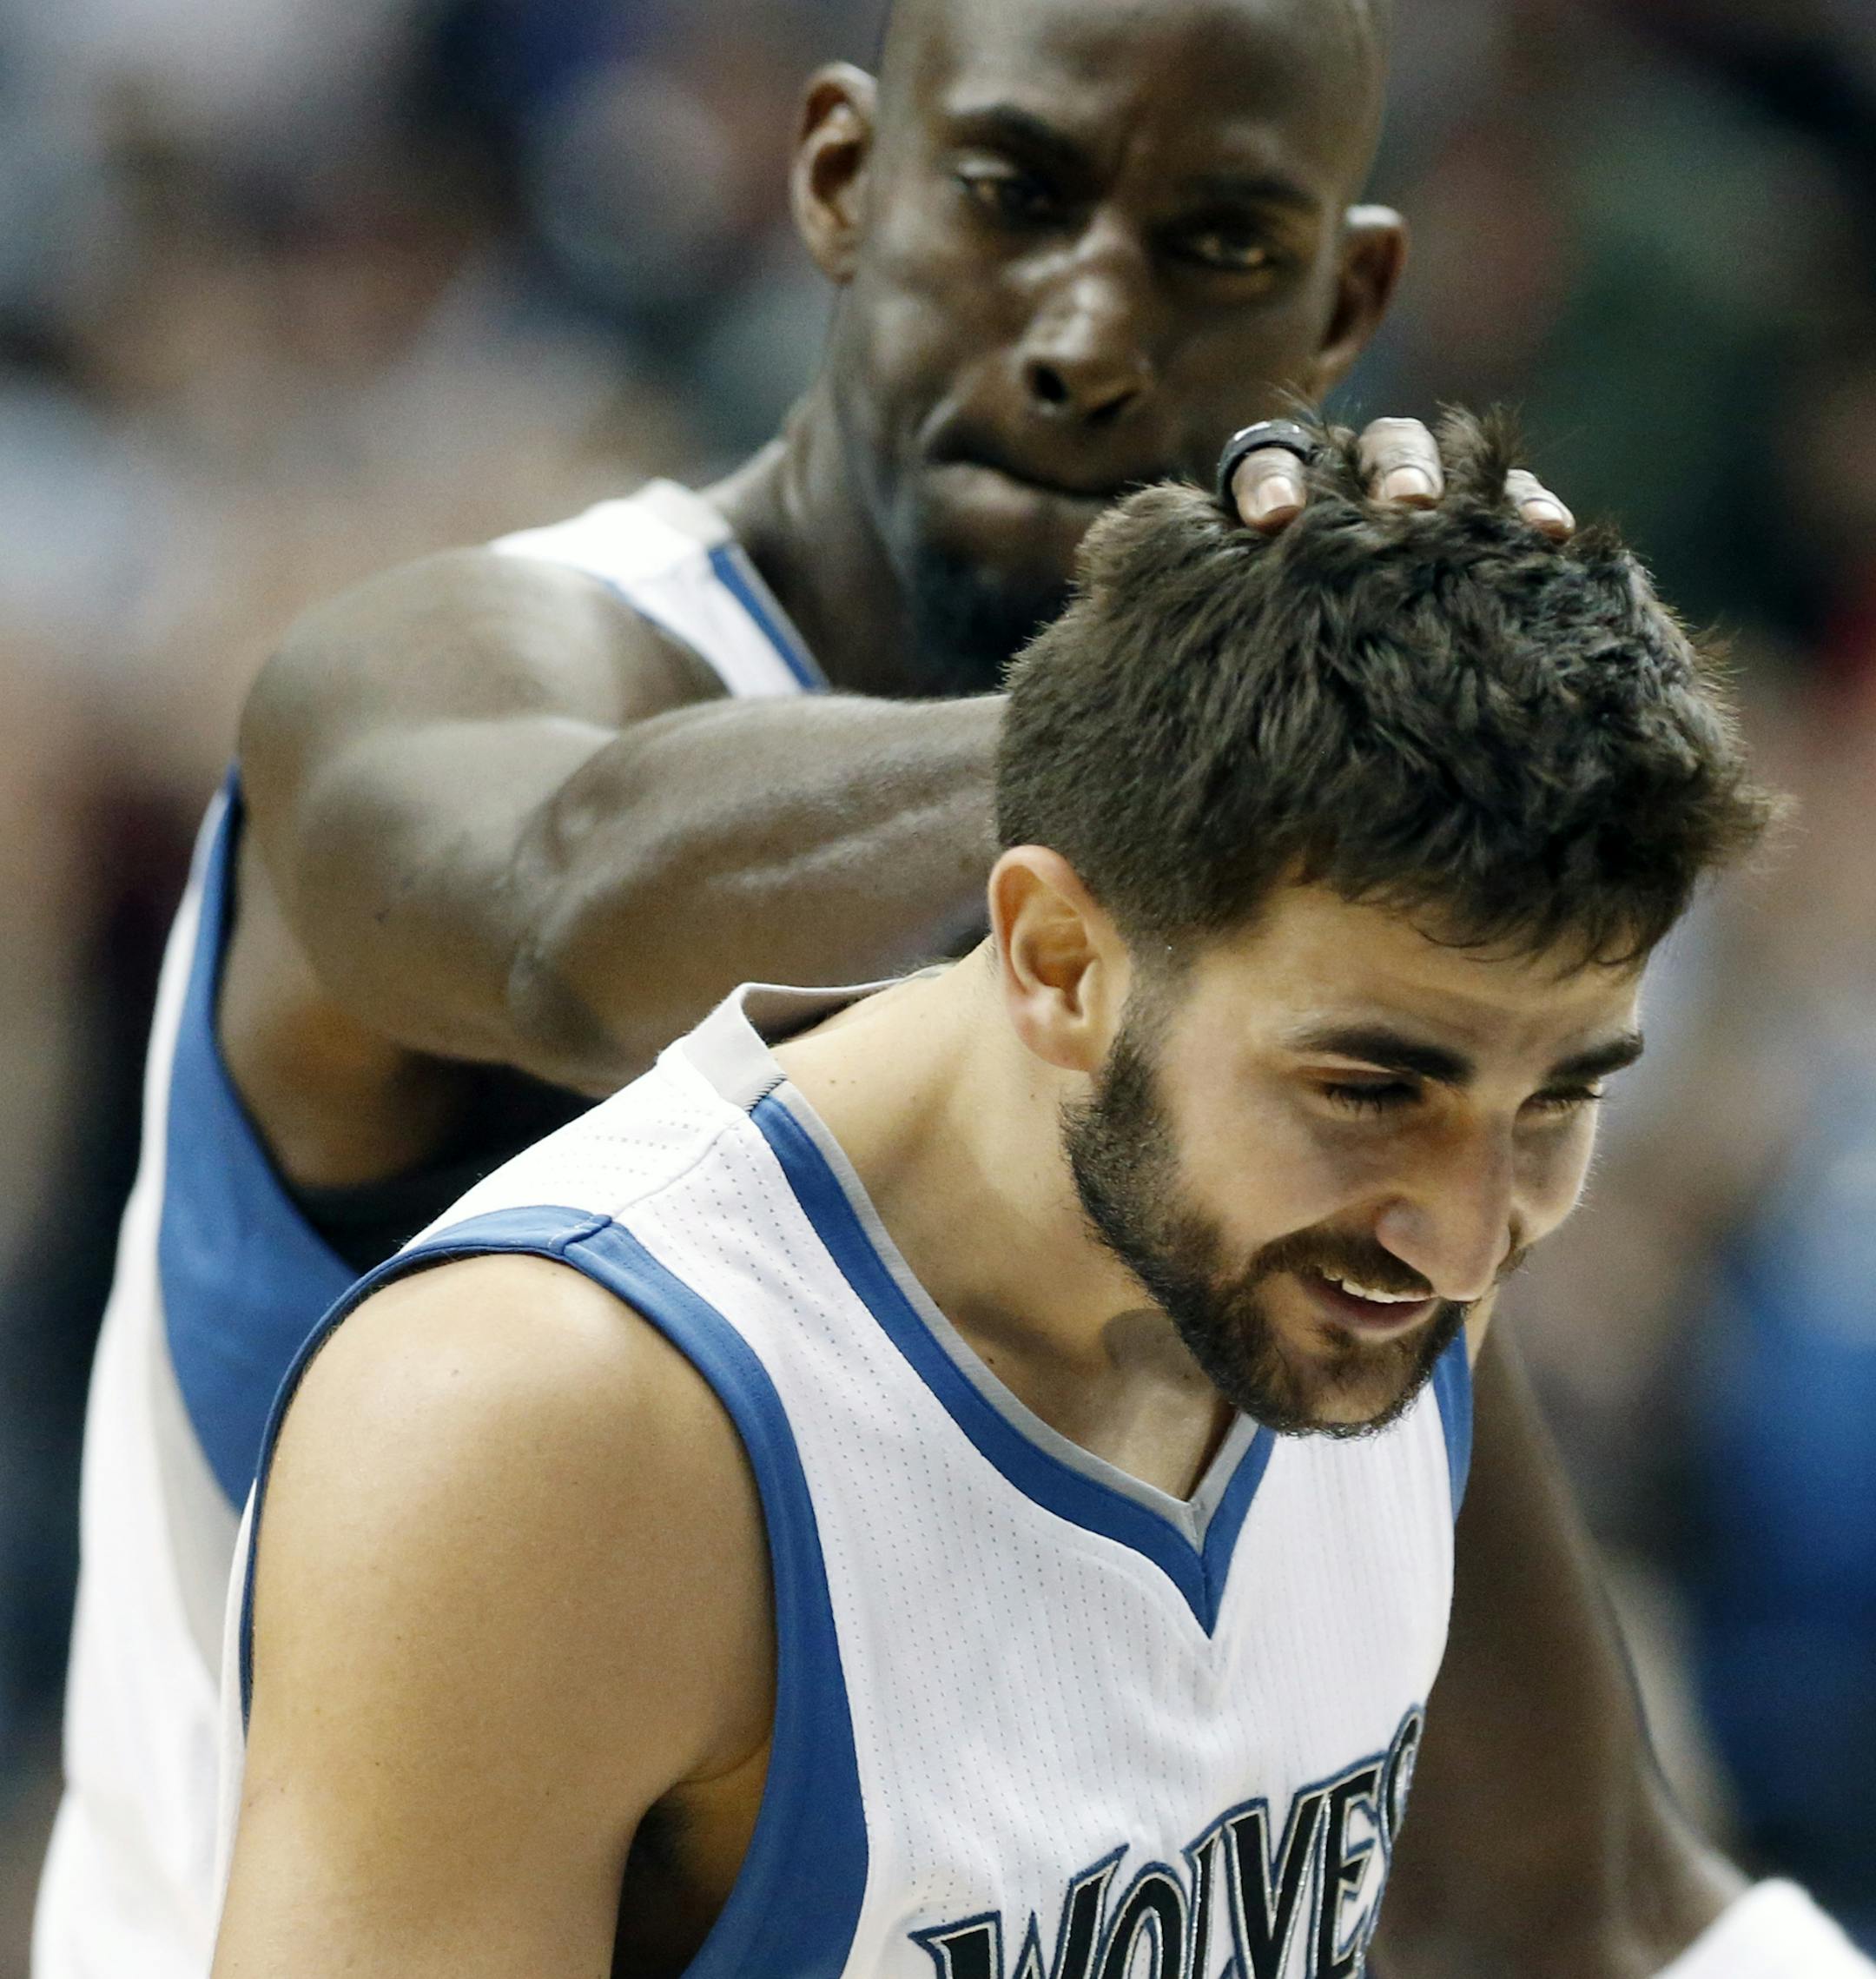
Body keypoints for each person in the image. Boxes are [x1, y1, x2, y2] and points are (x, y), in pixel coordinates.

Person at [34, 2, 1858, 1976]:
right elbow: (557, 906)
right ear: (842, 180)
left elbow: (1569, 1897)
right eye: (1014, 195)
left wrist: (1364, 755)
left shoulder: (1361, 1123)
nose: (1087, 334)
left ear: (1351, 309)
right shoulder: (464, 674)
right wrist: (1265, 732)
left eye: (1220, 246)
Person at [211, 418, 1793, 1977]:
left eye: (1565, 1097)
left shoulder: (1357, 1259)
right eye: (1367, 1089)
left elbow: (1586, 1908)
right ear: (1059, 958)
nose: (1460, 1240)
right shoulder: (549, 1418)